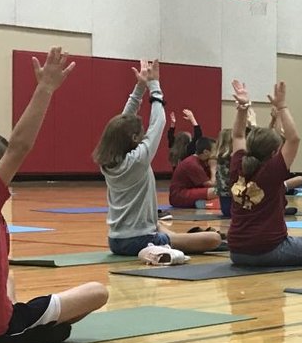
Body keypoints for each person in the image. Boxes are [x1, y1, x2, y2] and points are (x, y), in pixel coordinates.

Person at [0, 48, 109, 343]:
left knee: (9, 279)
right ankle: (27, 333)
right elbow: (19, 146)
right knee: (97, 292)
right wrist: (45, 88)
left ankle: (30, 326)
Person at [94, 61, 222, 258]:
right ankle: (178, 244)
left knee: (160, 225)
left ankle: (176, 240)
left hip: (115, 240)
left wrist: (139, 88)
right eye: (141, 133)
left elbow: (121, 122)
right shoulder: (137, 160)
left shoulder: (109, 162)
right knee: (213, 240)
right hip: (140, 240)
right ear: (135, 139)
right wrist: (154, 85)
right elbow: (158, 122)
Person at [227, 79, 302, 269]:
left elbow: (238, 135)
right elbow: (294, 139)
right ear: (274, 154)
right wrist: (282, 106)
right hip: (269, 250)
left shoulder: (237, 165)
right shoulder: (271, 172)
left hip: (237, 252)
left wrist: (242, 108)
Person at [168, 135, 215, 209]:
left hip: (186, 192)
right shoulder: (192, 163)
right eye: (215, 151)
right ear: (206, 152)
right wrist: (213, 167)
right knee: (216, 191)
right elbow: (211, 185)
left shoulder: (201, 161)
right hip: (179, 195)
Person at [213, 127, 234, 216]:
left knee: (226, 211)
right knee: (229, 211)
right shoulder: (230, 156)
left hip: (223, 191)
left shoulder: (219, 155)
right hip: (230, 191)